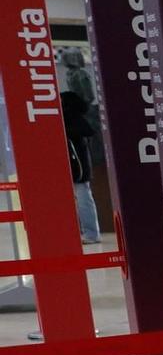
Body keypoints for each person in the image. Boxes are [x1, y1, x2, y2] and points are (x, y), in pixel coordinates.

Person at [60, 90, 101, 243]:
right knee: (83, 197)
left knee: (83, 198)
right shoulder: (77, 119)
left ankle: (90, 234)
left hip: (78, 167)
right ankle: (87, 232)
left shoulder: (70, 119)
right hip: (79, 166)